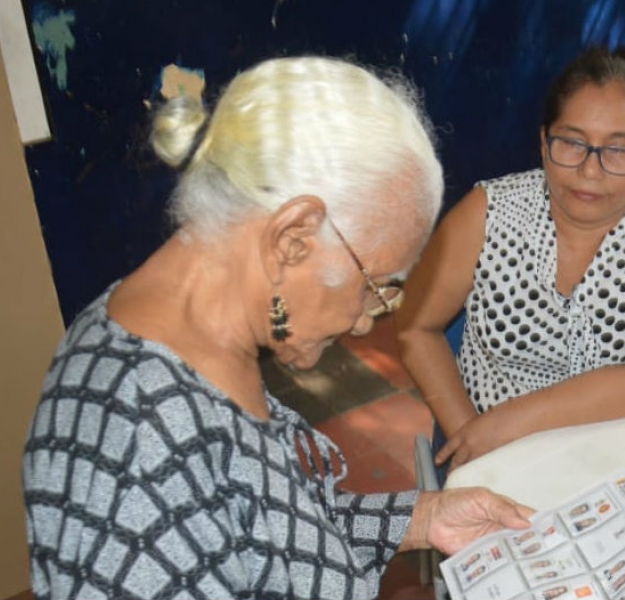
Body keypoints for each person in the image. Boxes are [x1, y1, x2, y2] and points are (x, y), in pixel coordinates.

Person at [21, 56, 532, 600]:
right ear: (292, 238)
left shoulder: (189, 329)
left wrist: (420, 518)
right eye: (375, 286)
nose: (364, 324)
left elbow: (262, 526)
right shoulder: (135, 452)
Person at [395, 44, 625, 472]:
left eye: (617, 150)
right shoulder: (487, 211)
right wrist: (476, 441)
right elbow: (415, 328)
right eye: (572, 142)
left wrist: (514, 421)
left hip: (613, 450)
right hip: (484, 441)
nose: (590, 171)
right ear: (544, 143)